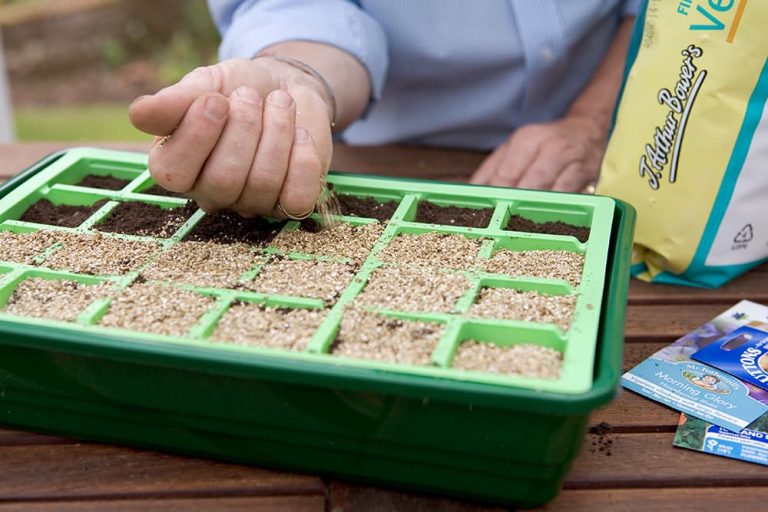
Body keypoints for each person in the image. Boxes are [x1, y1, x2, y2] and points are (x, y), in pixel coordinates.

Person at [129, 0, 638, 220]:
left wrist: (589, 123)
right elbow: (305, 11)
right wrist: (300, 75)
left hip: (633, 152)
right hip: (386, 160)